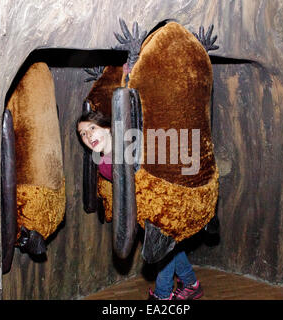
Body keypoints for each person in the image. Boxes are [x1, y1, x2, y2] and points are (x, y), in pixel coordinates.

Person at [76, 110, 203, 300]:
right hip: (145, 210)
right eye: (83, 134)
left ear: (108, 127)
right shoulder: (103, 164)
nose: (88, 135)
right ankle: (191, 284)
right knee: (168, 246)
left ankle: (163, 295)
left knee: (163, 245)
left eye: (92, 128)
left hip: (166, 202)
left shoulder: (133, 144)